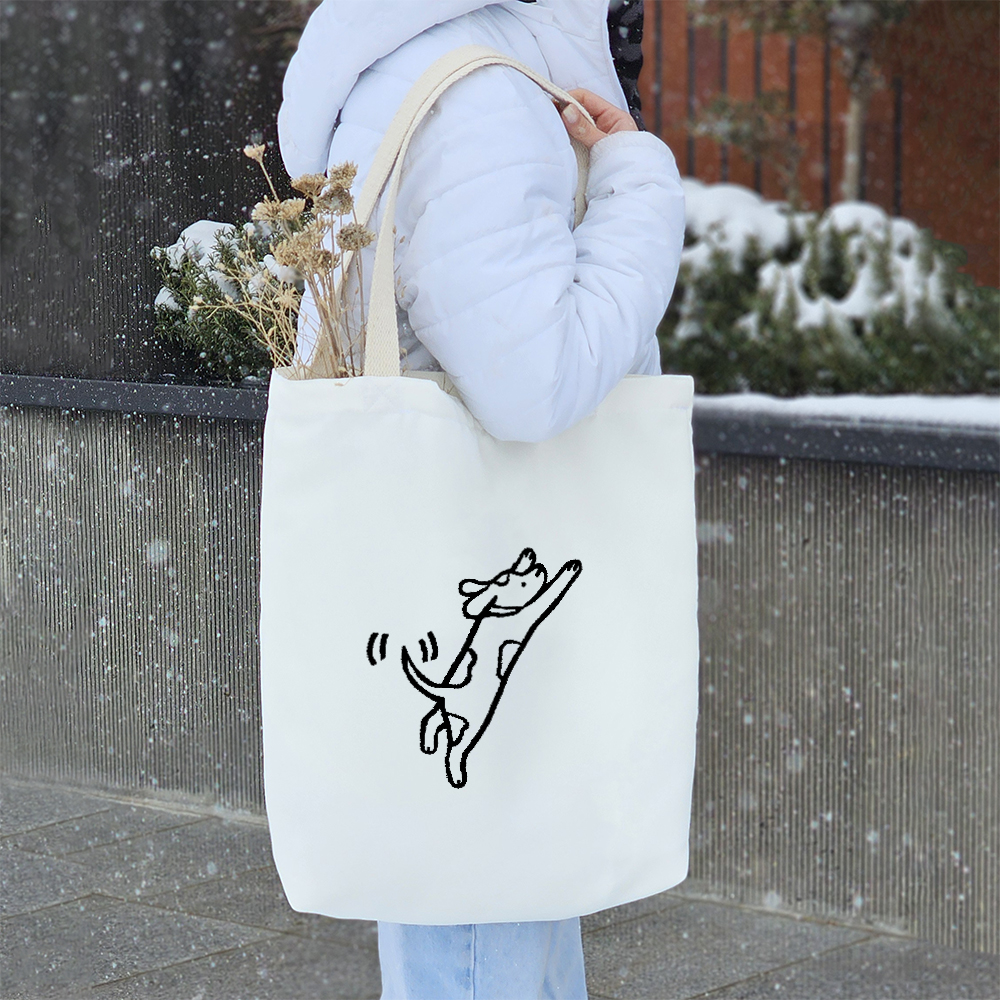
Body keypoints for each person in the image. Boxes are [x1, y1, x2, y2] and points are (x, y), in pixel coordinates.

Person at [278, 1, 685, 996]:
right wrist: (637, 186)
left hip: (456, 573)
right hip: (493, 566)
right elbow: (532, 384)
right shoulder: (479, 95)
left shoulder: (431, 60)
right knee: (482, 914)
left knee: (489, 886)